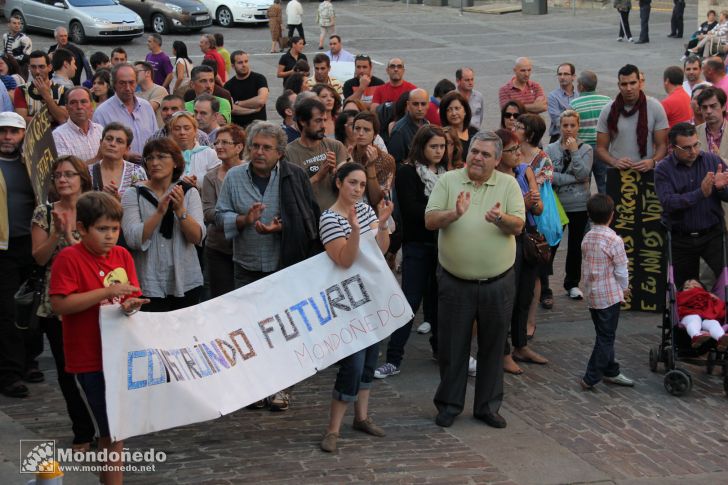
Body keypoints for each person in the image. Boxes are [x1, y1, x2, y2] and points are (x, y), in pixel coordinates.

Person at [215, 121, 322, 411]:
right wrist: (244, 221)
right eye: (255, 147)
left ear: (279, 153)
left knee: (282, 330)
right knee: (249, 331)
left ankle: (281, 387)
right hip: (246, 264)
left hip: (283, 266)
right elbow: (219, 214)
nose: (259, 152)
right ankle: (255, 387)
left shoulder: (294, 176)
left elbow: (309, 219)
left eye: (266, 148)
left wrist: (281, 228)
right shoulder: (235, 177)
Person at [425, 131, 525, 429]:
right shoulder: (449, 181)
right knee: (452, 346)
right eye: (474, 151)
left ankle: (487, 406)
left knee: (493, 347)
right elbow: (429, 220)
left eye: (485, 154)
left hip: (498, 282)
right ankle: (449, 405)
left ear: (497, 159)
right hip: (455, 281)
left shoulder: (507, 184)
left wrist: (499, 219)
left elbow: (518, 225)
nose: (478, 158)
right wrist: (453, 214)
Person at [49, 192, 147, 485]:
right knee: (111, 431)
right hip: (90, 356)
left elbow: (133, 294)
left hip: (121, 354)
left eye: (114, 229)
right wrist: (106, 293)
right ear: (81, 228)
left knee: (116, 432)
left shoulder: (123, 255)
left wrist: (131, 304)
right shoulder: (70, 258)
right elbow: (60, 304)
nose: (110, 236)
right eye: (102, 229)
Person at [317, 162, 393, 453]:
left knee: (371, 357)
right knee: (353, 362)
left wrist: (382, 224)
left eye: (362, 185)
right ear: (339, 183)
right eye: (352, 183)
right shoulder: (329, 218)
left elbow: (381, 249)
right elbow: (345, 260)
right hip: (347, 298)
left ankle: (361, 417)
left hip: (371, 292)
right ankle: (332, 429)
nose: (358, 189)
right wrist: (355, 231)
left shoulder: (364, 210)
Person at [30, 155, 96, 449]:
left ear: (82, 177)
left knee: (97, 366)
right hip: (55, 298)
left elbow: (98, 255)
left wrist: (70, 237)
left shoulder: (96, 209)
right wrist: (57, 232)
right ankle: (82, 430)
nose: (63, 179)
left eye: (69, 174)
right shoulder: (43, 213)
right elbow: (39, 258)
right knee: (66, 369)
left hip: (92, 294)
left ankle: (106, 426)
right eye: (58, 175)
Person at [374, 125, 446, 379]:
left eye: (441, 146)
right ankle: (394, 358)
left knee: (440, 302)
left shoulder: (446, 173)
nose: (438, 151)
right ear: (422, 147)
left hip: (443, 246)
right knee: (410, 302)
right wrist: (444, 213)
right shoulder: (407, 172)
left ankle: (441, 351)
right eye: (433, 146)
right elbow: (413, 210)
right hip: (417, 245)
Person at [121, 138, 205, 312]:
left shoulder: (189, 192)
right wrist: (159, 212)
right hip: (148, 282)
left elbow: (197, 237)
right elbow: (133, 239)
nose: (154, 163)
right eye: (149, 158)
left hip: (185, 281)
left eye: (161, 157)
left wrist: (180, 210)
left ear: (175, 162)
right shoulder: (133, 194)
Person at [495, 129, 547, 375]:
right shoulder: (494, 178)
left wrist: (534, 203)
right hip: (506, 239)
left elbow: (538, 210)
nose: (517, 154)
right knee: (509, 296)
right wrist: (522, 204)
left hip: (528, 238)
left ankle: (520, 345)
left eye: (518, 149)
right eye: (512, 150)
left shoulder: (524, 170)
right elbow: (496, 212)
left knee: (525, 293)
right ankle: (502, 351)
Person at [655, 122, 728, 288]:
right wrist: (700, 193)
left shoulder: (712, 160)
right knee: (686, 289)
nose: (693, 151)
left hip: (713, 234)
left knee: (726, 278)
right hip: (682, 238)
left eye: (696, 145)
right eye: (686, 148)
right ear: (673, 148)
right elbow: (669, 202)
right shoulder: (663, 169)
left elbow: (726, 196)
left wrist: (722, 188)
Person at [579, 193, 633, 390]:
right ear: (612, 214)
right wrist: (624, 287)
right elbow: (621, 269)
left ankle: (612, 370)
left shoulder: (588, 237)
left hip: (593, 294)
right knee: (606, 337)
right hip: (609, 296)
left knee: (603, 333)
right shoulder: (614, 240)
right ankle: (591, 377)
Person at [0, 112, 36, 398]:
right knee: (8, 309)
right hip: (3, 246)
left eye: (13, 132)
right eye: (3, 132)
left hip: (32, 242)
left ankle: (29, 361)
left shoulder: (32, 164)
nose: (7, 137)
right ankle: (10, 373)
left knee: (33, 306)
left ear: (23, 135)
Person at [546, 110, 594, 300]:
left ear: (578, 126)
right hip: (557, 204)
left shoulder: (586, 149)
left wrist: (574, 151)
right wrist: (571, 179)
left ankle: (572, 283)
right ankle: (544, 284)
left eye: (572, 125)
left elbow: (583, 174)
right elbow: (549, 175)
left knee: (575, 246)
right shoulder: (550, 149)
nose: (568, 129)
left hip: (579, 205)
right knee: (551, 245)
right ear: (560, 126)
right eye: (565, 125)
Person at [595, 64, 668, 174]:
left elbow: (662, 145)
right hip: (617, 174)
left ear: (640, 83)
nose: (629, 88)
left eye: (632, 83)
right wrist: (614, 162)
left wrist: (653, 162)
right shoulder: (608, 110)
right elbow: (600, 148)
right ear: (619, 85)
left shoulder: (655, 107)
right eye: (624, 84)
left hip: (647, 173)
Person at [202, 124, 245, 298]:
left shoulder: (250, 171)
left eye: (225, 142)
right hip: (218, 247)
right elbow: (208, 212)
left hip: (246, 245)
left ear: (239, 147)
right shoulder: (210, 177)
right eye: (216, 142)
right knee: (222, 297)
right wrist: (240, 218)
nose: (219, 146)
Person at [286, 97, 348, 210]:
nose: (323, 125)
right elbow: (291, 193)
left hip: (336, 219)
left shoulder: (336, 146)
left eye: (324, 120)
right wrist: (318, 176)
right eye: (318, 121)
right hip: (307, 220)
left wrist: (334, 172)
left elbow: (348, 185)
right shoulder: (288, 153)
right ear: (302, 121)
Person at [92, 63, 158, 163]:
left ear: (136, 83)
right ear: (114, 84)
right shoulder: (102, 113)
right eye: (122, 83)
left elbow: (156, 138)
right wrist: (124, 154)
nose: (127, 88)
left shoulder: (146, 107)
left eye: (131, 83)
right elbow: (99, 148)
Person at [569, 71, 612, 194]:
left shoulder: (574, 104)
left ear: (581, 86)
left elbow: (571, 128)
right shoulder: (607, 101)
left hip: (583, 149)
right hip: (603, 148)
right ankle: (607, 209)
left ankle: (586, 209)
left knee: (583, 183)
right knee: (604, 183)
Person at [89, 122, 147, 200]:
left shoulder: (137, 172)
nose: (112, 144)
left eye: (119, 141)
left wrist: (118, 199)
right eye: (109, 139)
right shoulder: (88, 172)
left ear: (127, 149)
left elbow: (143, 205)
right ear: (101, 143)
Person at [348, 110, 394, 208]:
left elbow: (376, 200)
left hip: (376, 215)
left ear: (375, 135)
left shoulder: (386, 160)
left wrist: (371, 166)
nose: (360, 133)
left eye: (366, 130)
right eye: (357, 128)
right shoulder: (347, 154)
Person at [168, 111, 220, 189]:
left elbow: (217, 186)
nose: (182, 132)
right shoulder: (166, 156)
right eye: (177, 129)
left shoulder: (209, 154)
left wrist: (197, 186)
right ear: (171, 132)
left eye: (187, 128)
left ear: (195, 130)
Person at [53, 87, 104, 165]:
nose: (79, 107)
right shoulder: (58, 135)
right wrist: (97, 159)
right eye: (73, 103)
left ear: (91, 105)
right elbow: (65, 169)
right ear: (66, 107)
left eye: (83, 101)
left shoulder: (100, 130)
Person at [14, 50, 67, 125]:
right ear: (29, 67)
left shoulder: (63, 90)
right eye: (33, 67)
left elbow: (63, 119)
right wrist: (50, 118)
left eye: (41, 67)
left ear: (50, 67)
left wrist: (46, 96)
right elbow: (21, 121)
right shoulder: (21, 90)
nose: (37, 71)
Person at [678, 279, 728, 350]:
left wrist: (715, 299)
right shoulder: (680, 295)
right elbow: (679, 303)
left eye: (695, 284)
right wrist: (694, 293)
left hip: (706, 317)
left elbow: (719, 307)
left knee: (714, 323)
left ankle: (721, 339)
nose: (691, 286)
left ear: (703, 288)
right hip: (689, 315)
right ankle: (696, 336)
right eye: (686, 287)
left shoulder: (708, 295)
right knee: (694, 319)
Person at [225, 50, 269, 128]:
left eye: (246, 61)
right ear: (233, 66)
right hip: (239, 130)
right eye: (240, 62)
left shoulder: (259, 78)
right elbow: (231, 109)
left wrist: (239, 103)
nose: (244, 65)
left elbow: (261, 100)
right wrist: (253, 110)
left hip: (259, 128)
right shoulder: (228, 86)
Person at [388, 88, 429, 163]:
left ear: (428, 105)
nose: (420, 108)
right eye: (415, 104)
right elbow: (395, 163)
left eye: (423, 104)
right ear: (408, 105)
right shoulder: (399, 131)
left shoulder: (427, 124)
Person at [439, 91, 478, 155]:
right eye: (449, 110)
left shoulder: (474, 132)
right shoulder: (443, 136)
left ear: (465, 111)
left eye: (457, 108)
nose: (454, 113)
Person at [547, 63, 578, 143]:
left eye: (566, 74)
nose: (562, 77)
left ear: (573, 77)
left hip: (577, 137)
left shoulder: (579, 95)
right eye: (560, 74)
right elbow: (557, 120)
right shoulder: (553, 96)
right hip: (558, 138)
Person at [696, 86, 728, 161]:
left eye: (713, 106)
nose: (708, 111)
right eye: (704, 107)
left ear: (723, 107)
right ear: (700, 109)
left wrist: (719, 159)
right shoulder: (694, 133)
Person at [134, 61, 167, 125]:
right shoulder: (135, 94)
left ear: (148, 73)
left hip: (157, 133)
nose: (133, 75)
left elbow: (146, 110)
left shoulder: (159, 90)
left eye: (136, 72)